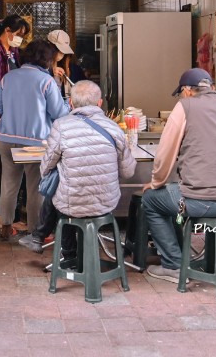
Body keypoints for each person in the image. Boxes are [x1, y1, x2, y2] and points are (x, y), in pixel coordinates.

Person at [141, 68, 216, 284]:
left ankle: (174, 266)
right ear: (212, 88)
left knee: (151, 201)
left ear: (187, 91)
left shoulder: (185, 107)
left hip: (199, 202)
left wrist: (155, 183)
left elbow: (165, 155)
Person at [18, 80, 136, 255]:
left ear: (71, 103)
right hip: (106, 202)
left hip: (71, 202)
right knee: (63, 186)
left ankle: (67, 254)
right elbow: (128, 172)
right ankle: (64, 250)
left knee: (60, 185)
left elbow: (45, 168)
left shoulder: (61, 126)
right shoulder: (115, 128)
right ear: (100, 103)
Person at [0, 39, 69, 239]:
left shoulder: (7, 78)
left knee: (9, 183)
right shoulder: (46, 81)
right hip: (35, 143)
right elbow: (59, 113)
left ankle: (6, 227)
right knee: (35, 187)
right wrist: (69, 104)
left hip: (7, 139)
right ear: (46, 60)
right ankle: (37, 231)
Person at [46, 29, 86, 99]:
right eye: (58, 49)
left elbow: (85, 90)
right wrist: (50, 73)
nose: (61, 53)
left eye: (63, 51)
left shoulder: (74, 70)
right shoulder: (40, 69)